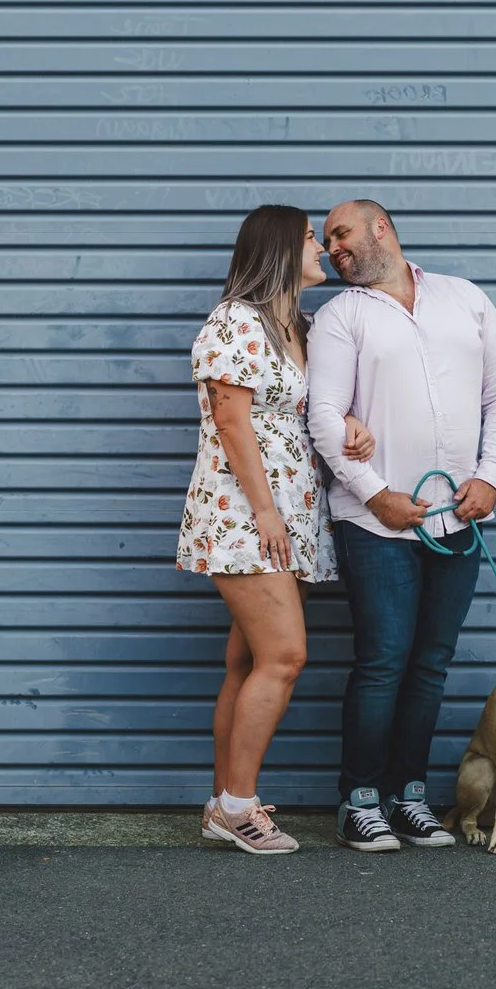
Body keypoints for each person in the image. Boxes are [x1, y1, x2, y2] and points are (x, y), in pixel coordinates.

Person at [306, 199, 496, 853]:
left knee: (430, 664)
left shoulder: (465, 299)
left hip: (456, 521)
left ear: (381, 228)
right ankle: (360, 799)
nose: (332, 247)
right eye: (324, 241)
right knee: (383, 662)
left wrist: (491, 475)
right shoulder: (339, 316)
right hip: (376, 526)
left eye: (341, 234)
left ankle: (409, 796)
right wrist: (376, 496)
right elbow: (323, 415)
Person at [181, 205, 370, 856]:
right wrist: (264, 511)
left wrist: (349, 425)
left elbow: (306, 410)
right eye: (313, 237)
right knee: (286, 655)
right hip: (244, 515)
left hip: (287, 515)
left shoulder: (303, 326)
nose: (323, 247)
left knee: (248, 659)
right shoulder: (236, 319)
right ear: (283, 250)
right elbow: (232, 421)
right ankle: (239, 805)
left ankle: (220, 802)